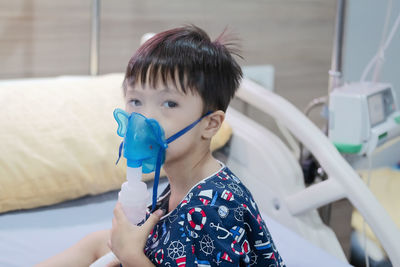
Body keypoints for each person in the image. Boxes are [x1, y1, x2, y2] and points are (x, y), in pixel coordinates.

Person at [36, 25, 285, 267]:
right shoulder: (180, 183)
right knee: (96, 243)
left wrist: (131, 257)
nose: (145, 118)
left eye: (168, 104)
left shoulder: (213, 209)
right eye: (135, 101)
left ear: (210, 124)